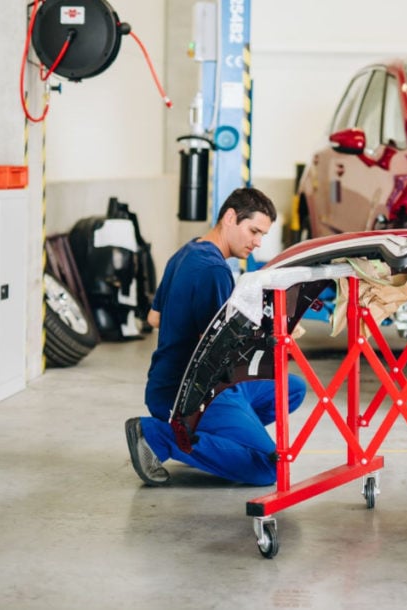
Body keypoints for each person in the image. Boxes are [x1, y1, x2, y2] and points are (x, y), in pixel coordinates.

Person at [125, 187, 306, 487]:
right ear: (230, 217)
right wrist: (270, 335)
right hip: (193, 395)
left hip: (167, 384)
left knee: (292, 389)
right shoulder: (214, 270)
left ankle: (214, 441)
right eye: (254, 231)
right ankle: (159, 437)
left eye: (262, 235)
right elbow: (217, 351)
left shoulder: (186, 252)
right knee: (267, 468)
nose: (258, 243)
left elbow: (154, 317)